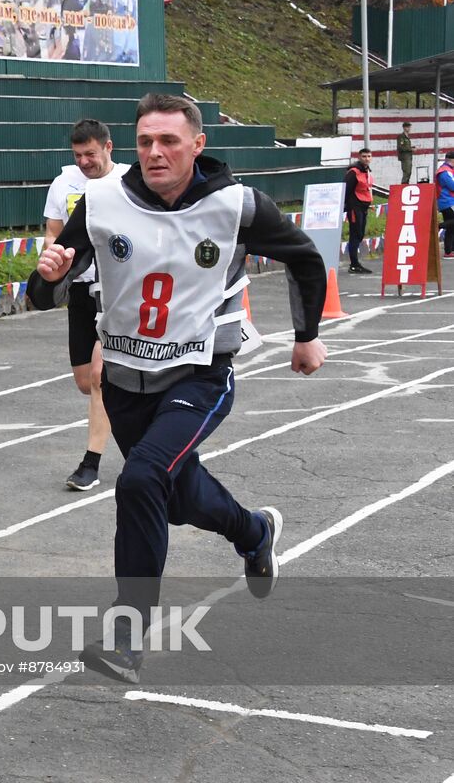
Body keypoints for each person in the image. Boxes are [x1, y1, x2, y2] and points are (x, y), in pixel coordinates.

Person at [27, 93, 327, 684]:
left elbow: (307, 259)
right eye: (145, 142)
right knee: (172, 492)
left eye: (168, 141)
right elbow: (46, 293)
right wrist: (48, 278)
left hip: (199, 374)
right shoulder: (103, 201)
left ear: (198, 145)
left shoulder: (237, 207)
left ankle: (125, 634)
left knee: (140, 479)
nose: (156, 152)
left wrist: (306, 336)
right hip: (124, 377)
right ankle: (254, 530)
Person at [41, 119, 130, 491]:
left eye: (90, 154)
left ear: (108, 148)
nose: (84, 162)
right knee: (86, 382)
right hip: (79, 290)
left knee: (99, 376)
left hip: (117, 289)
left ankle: (90, 464)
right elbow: (53, 231)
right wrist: (50, 259)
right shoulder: (63, 184)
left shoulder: (129, 181)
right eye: (78, 155)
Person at [344, 147, 374, 273]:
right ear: (359, 157)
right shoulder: (353, 172)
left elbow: (367, 188)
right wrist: (348, 206)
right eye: (364, 156)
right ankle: (354, 264)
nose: (366, 159)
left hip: (363, 207)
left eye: (368, 156)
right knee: (355, 234)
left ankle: (355, 263)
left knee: (360, 234)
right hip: (354, 207)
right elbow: (346, 190)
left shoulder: (367, 171)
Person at [438, 151, 454, 258]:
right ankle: (438, 226)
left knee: (452, 228)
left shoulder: (448, 170)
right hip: (448, 201)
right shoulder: (445, 172)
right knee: (450, 225)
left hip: (448, 201)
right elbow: (452, 186)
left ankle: (449, 251)